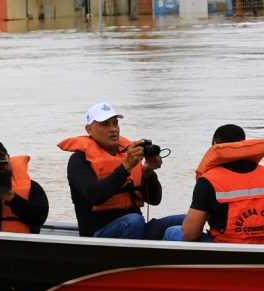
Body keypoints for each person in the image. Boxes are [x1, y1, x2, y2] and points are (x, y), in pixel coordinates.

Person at [58, 102, 184, 239]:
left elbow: (154, 200)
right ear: (89, 129)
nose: (113, 129)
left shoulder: (127, 154)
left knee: (187, 220)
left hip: (136, 225)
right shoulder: (79, 160)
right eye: (105, 124)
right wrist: (126, 167)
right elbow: (95, 196)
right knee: (134, 221)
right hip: (99, 234)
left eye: (115, 123)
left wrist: (148, 173)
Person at [164, 124, 264, 243]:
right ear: (243, 144)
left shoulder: (208, 180)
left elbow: (189, 235)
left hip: (229, 251)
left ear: (215, 145)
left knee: (172, 232)